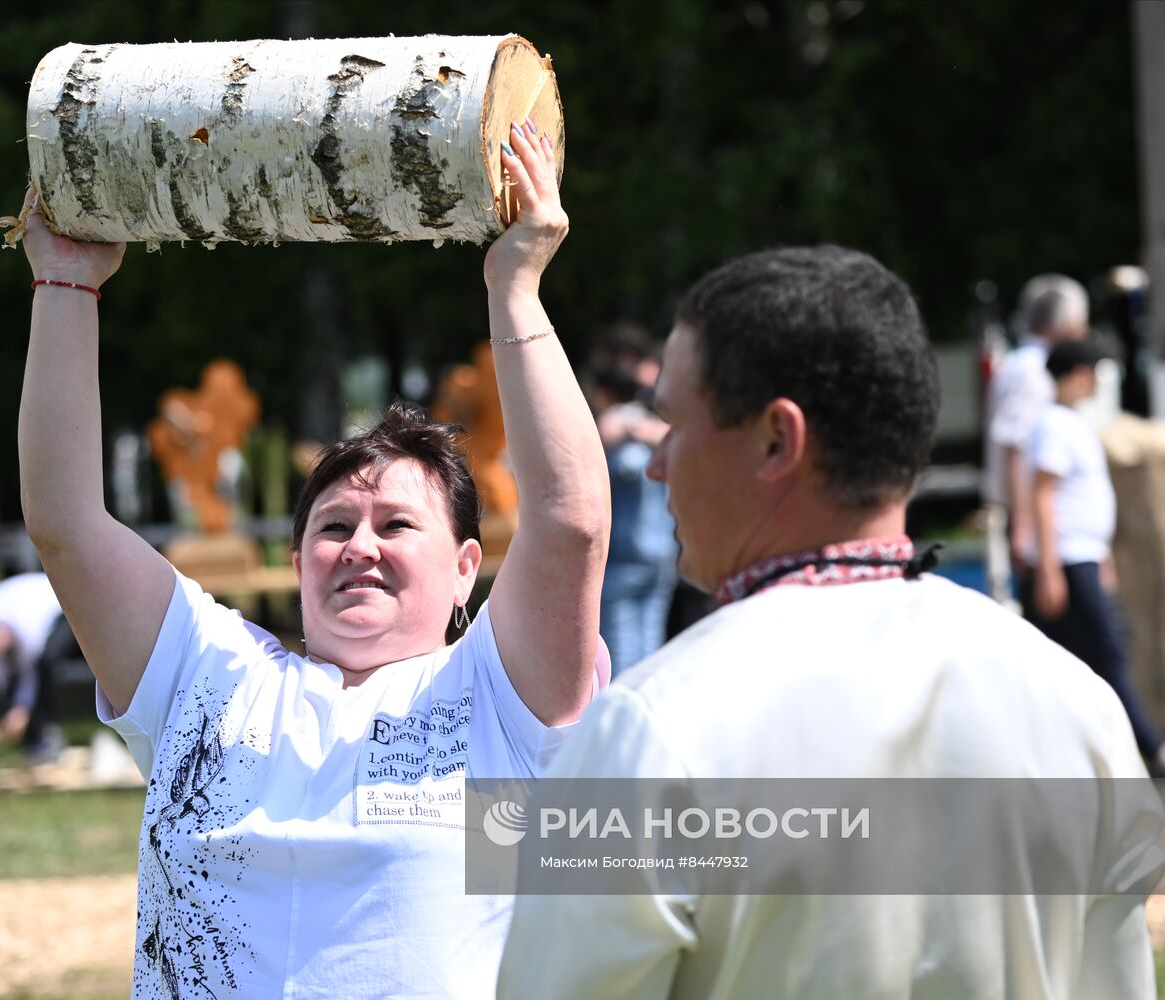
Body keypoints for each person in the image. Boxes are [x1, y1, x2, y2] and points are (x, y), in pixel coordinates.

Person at [15, 120, 609, 997]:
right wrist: (64, 282)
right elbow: (65, 519)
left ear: (465, 570)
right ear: (296, 562)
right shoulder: (210, 676)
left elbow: (569, 521)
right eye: (333, 527)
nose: (358, 547)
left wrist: (514, 286)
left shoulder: (497, 697)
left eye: (398, 526)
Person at [498, 247, 1156, 998]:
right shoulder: (1081, 707)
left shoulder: (650, 729)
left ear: (778, 440)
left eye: (673, 424)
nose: (657, 464)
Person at [1022, 340, 1165, 775]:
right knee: (1107, 651)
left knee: (1065, 661)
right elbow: (1044, 496)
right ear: (1077, 374)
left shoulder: (1070, 423)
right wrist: (1049, 567)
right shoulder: (1054, 425)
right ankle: (1153, 746)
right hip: (1066, 559)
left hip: (1082, 556)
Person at [987, 276, 1089, 579]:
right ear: (1069, 324)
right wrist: (1024, 526)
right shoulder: (1033, 371)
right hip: (1035, 522)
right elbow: (1014, 448)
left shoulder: (1019, 364)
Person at [591, 363, 677, 673]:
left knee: (623, 658)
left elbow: (599, 438)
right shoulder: (657, 428)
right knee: (650, 649)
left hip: (625, 559)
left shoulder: (616, 423)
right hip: (660, 554)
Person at [0, 571, 75, 762]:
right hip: (27, 606)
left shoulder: (26, 627)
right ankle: (34, 741)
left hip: (60, 601)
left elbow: (31, 675)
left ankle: (49, 732)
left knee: (46, 662)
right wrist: (4, 712)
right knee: (16, 673)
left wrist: (21, 710)